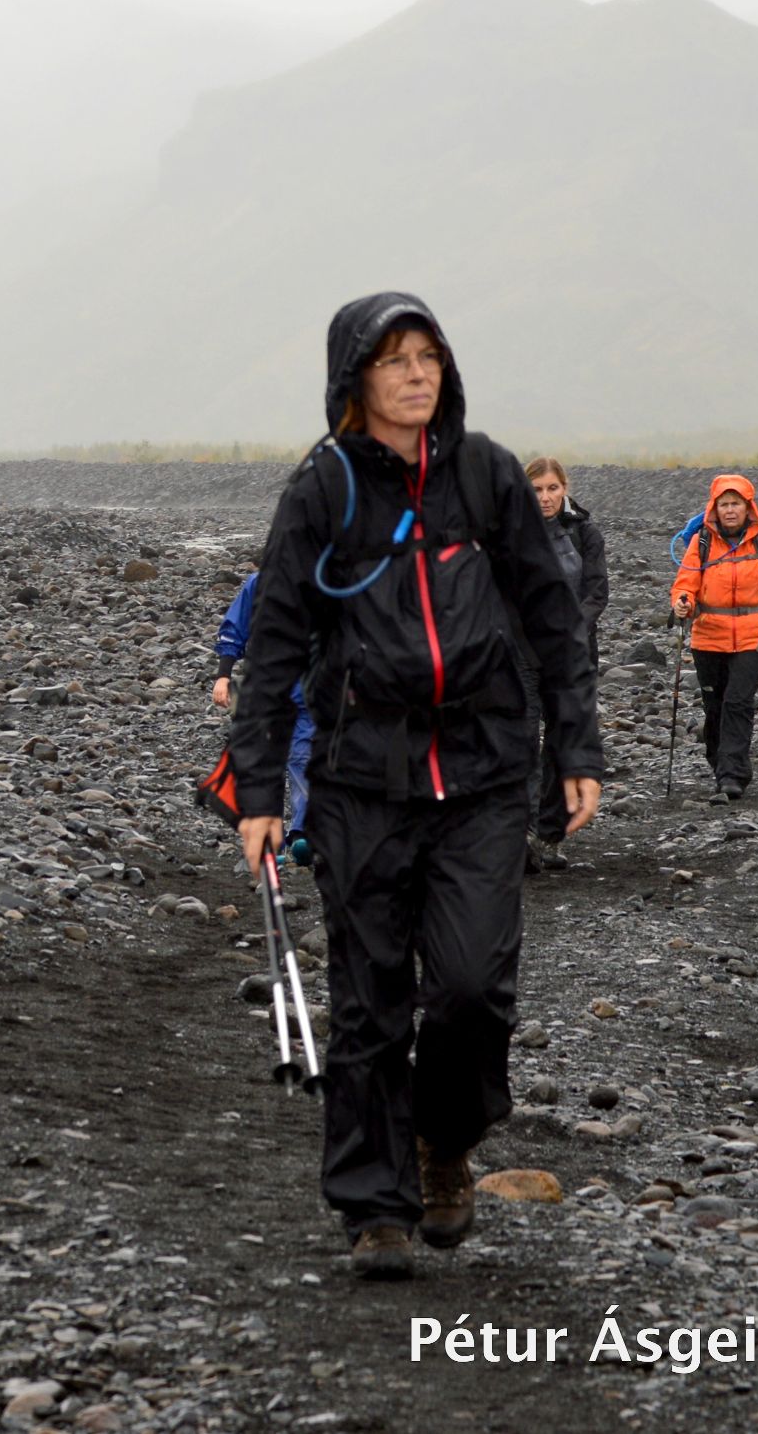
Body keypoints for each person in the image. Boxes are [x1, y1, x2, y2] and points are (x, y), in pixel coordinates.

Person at [226, 293, 604, 1282]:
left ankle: (445, 1138)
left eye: (427, 355)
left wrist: (577, 748)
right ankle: (373, 1206)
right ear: (355, 378)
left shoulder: (485, 475)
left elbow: (553, 618)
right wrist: (261, 790)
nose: (415, 374)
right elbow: (275, 643)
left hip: (484, 770)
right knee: (370, 1000)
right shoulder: (323, 490)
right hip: (363, 779)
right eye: (393, 359)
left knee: (474, 988)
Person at [669, 473, 758, 800]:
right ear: (714, 508)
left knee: (738, 702)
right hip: (708, 637)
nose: (730, 510)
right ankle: (719, 762)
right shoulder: (701, 542)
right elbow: (685, 584)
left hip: (754, 635)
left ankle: (732, 774)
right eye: (724, 504)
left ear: (748, 507)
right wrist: (682, 602)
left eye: (736, 504)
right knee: (715, 705)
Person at [519, 458, 609, 868]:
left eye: (552, 488)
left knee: (560, 744)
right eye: (537, 489)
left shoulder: (585, 533)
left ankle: (548, 835)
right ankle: (521, 834)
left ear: (564, 489)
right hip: (522, 655)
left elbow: (597, 592)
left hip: (571, 657)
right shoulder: (511, 534)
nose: (545, 497)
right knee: (521, 742)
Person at [211, 572, 312, 860]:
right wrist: (223, 675)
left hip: (310, 689)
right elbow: (236, 626)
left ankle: (301, 834)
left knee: (304, 758)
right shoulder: (261, 582)